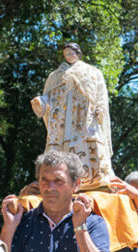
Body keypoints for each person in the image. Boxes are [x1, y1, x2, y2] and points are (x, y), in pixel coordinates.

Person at [31, 42, 114, 191]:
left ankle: (93, 180)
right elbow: (49, 97)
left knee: (87, 145)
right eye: (66, 54)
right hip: (62, 124)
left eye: (71, 53)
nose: (68, 56)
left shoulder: (92, 72)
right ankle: (59, 182)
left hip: (84, 120)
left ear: (78, 53)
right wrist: (41, 102)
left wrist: (99, 109)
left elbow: (100, 94)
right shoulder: (55, 76)